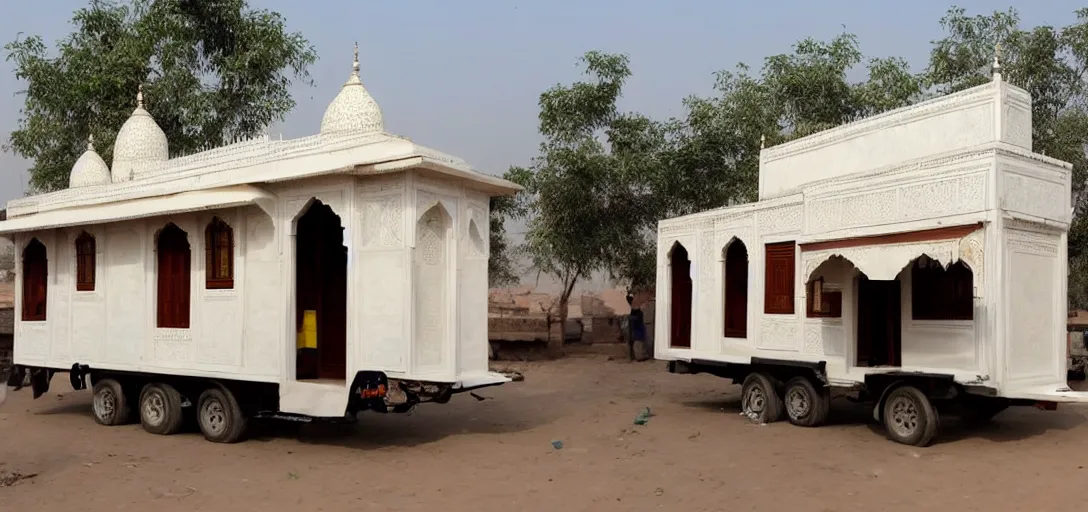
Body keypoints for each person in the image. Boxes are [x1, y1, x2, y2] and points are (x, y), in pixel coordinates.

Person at [627, 295, 647, 361]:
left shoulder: (636, 311)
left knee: (638, 343)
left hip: (636, 330)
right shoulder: (636, 312)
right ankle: (639, 357)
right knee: (637, 343)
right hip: (636, 330)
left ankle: (639, 356)